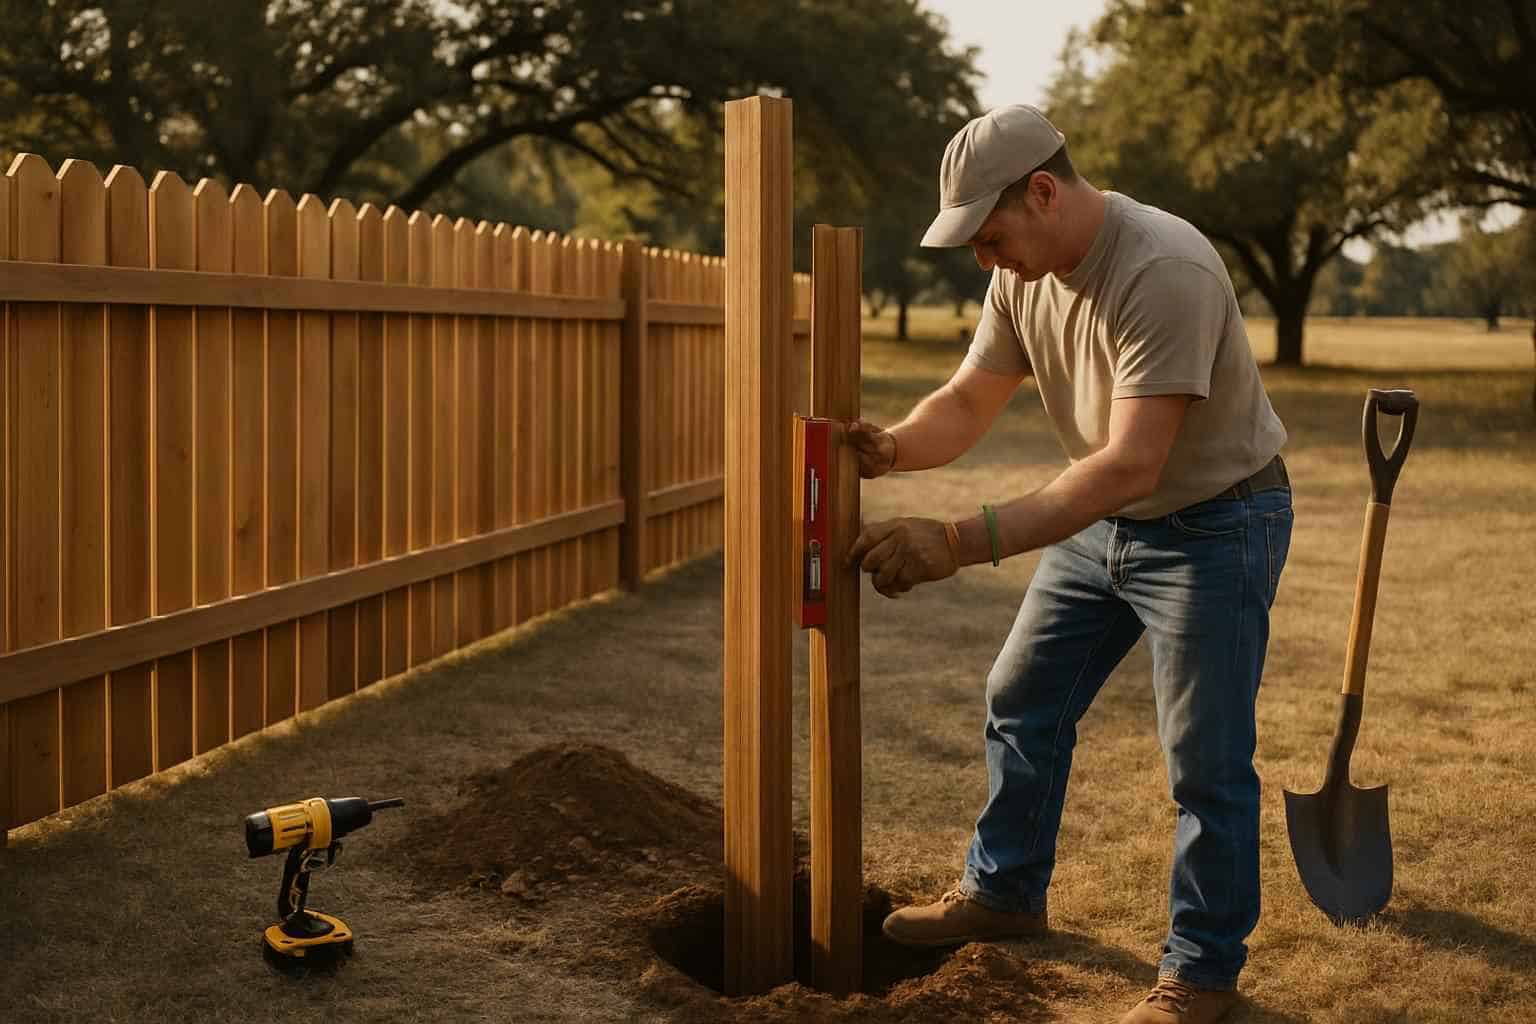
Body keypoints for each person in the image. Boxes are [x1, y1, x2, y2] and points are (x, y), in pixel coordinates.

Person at [843, 104, 1293, 1024]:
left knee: (1205, 758)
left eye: (989, 236)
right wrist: (892, 448)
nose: (984, 260)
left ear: (1043, 192)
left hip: (1214, 525)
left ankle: (1201, 975)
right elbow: (967, 401)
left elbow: (1132, 463)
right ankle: (1005, 892)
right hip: (1104, 518)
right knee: (1022, 697)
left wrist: (957, 541)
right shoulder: (1025, 276)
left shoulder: (1163, 268)